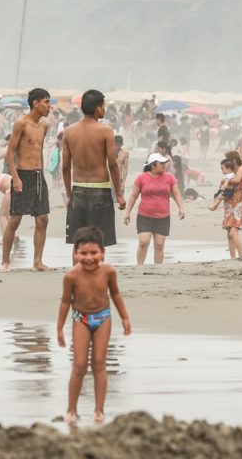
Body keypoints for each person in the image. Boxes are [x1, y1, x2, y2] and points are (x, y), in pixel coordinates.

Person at [56, 226, 132, 424]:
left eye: (94, 252)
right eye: (83, 253)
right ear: (75, 253)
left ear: (103, 253)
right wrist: (59, 329)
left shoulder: (109, 272)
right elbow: (65, 302)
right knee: (79, 365)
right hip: (80, 319)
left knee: (99, 363)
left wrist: (124, 317)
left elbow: (115, 294)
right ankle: (71, 410)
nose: (89, 258)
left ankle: (99, 410)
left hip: (103, 318)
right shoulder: (71, 276)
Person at [62, 90, 125, 248]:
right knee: (99, 241)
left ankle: (76, 272)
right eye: (103, 105)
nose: (104, 109)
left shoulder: (69, 132)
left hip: (78, 191)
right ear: (98, 108)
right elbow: (112, 164)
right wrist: (119, 195)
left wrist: (69, 195)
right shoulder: (105, 131)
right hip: (100, 192)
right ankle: (97, 272)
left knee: (79, 242)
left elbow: (65, 167)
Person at [3, 88, 52, 273]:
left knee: (42, 219)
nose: (50, 107)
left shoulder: (44, 126)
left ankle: (37, 261)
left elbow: (38, 150)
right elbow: (10, 152)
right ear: (36, 103)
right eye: (47, 102)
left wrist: (43, 171)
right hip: (23, 175)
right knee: (15, 219)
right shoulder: (21, 124)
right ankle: (5, 261)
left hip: (39, 175)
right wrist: (15, 177)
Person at [123, 153, 185, 265]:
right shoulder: (141, 178)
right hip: (144, 216)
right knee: (143, 242)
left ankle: (158, 269)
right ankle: (139, 266)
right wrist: (127, 212)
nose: (164, 165)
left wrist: (181, 207)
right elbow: (133, 196)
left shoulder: (169, 178)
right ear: (152, 165)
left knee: (159, 245)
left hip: (163, 217)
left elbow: (176, 194)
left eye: (165, 163)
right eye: (161, 163)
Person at [208, 153, 242, 259]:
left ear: (234, 160)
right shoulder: (231, 172)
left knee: (233, 232)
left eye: (228, 159)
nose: (226, 161)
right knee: (229, 232)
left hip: (238, 203)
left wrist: (224, 181)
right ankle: (232, 258)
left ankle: (241, 256)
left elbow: (237, 180)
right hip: (229, 203)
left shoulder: (241, 168)